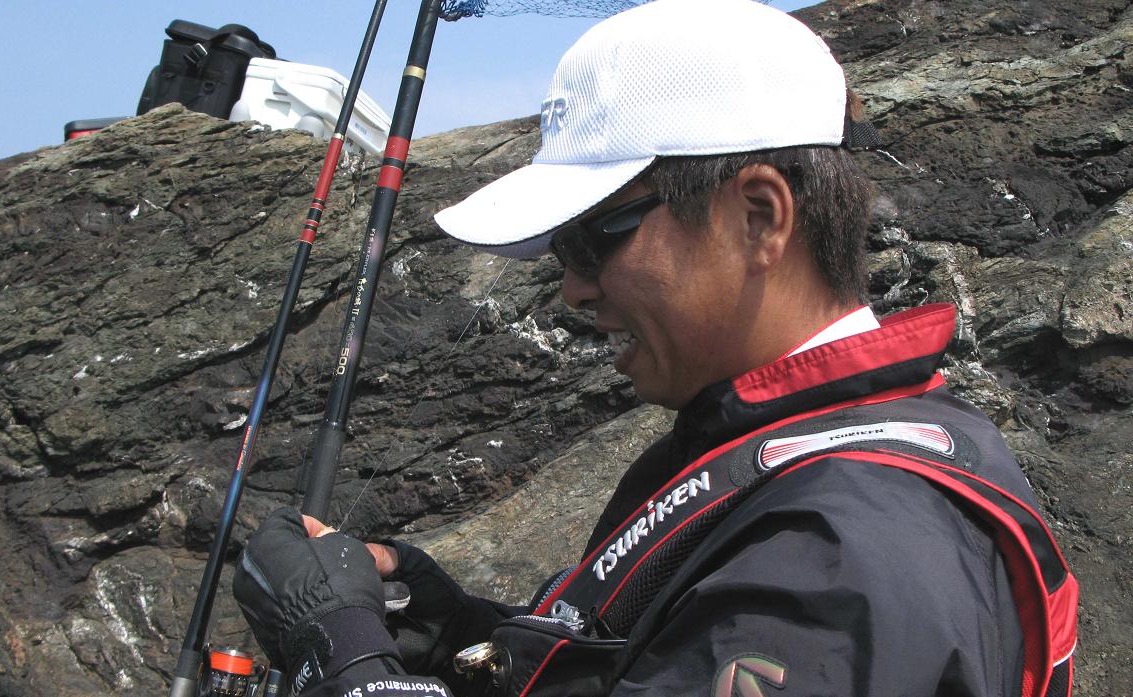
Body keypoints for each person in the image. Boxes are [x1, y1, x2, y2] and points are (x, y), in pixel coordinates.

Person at [233, 1, 1079, 695]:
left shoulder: (842, 549)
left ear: (758, 217)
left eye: (592, 238)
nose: (573, 288)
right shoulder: (792, 453)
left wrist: (341, 655)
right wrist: (458, 632)